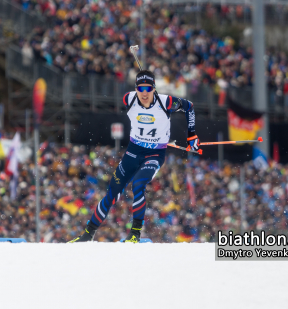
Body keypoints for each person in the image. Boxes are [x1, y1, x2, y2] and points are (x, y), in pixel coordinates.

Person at [69, 70, 199, 243]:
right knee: (112, 193)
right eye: (140, 88)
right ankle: (88, 234)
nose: (144, 93)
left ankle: (135, 233)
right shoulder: (129, 99)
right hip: (133, 151)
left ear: (153, 89)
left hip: (154, 154)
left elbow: (189, 106)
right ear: (136, 88)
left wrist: (192, 136)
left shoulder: (166, 102)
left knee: (138, 185)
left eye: (148, 89)